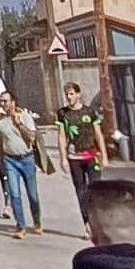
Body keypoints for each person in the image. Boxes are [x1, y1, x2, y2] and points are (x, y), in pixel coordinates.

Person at [0, 93, 41, 239]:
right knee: (14, 194)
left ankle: (37, 221)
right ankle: (20, 226)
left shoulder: (24, 116)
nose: (3, 104)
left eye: (6, 101)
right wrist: (0, 161)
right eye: (1, 102)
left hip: (27, 158)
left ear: (13, 102)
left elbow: (32, 137)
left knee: (32, 195)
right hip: (10, 160)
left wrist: (18, 123)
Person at [56, 83, 107, 219]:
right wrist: (63, 159)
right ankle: (87, 223)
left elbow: (98, 134)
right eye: (67, 94)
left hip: (91, 156)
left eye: (71, 94)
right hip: (74, 158)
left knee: (95, 189)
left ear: (78, 94)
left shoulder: (89, 112)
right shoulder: (62, 113)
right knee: (81, 191)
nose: (69, 97)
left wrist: (104, 155)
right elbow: (62, 136)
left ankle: (97, 219)